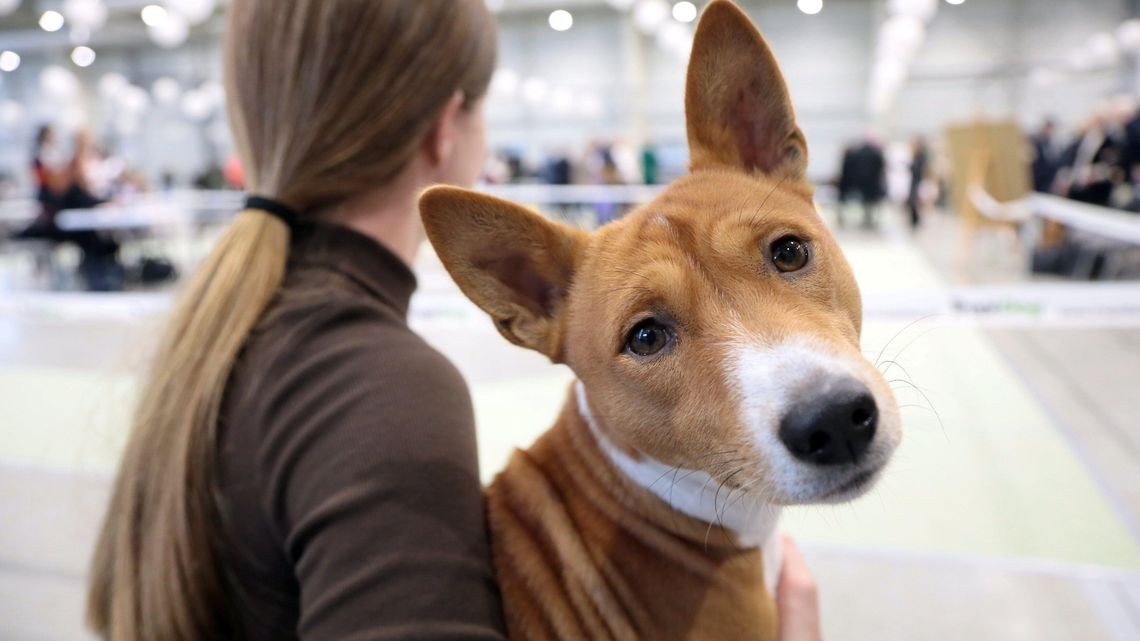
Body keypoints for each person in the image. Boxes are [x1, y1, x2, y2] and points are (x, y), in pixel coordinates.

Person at [85, 2, 825, 640]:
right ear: (448, 127)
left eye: (788, 254)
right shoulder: (378, 388)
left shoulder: (247, 339)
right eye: (649, 334)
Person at [907, 135, 929, 229]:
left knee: (915, 201)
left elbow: (920, 170)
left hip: (918, 181)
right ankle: (914, 220)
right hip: (914, 181)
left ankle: (916, 220)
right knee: (912, 202)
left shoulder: (921, 156)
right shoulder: (915, 156)